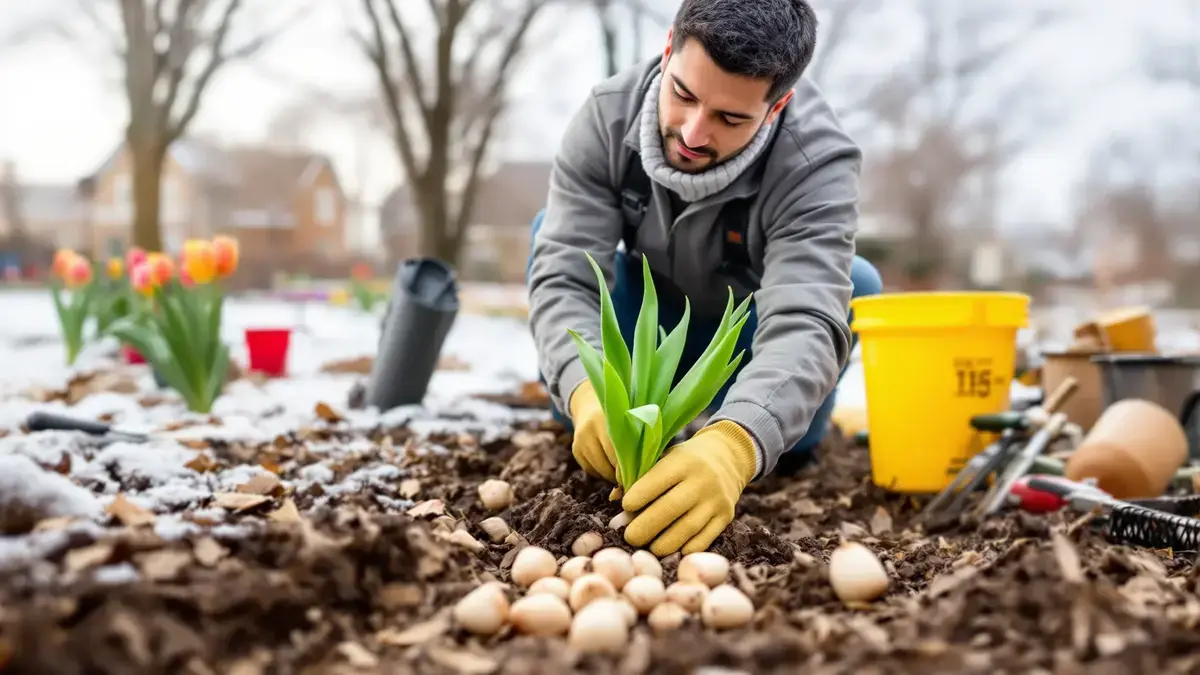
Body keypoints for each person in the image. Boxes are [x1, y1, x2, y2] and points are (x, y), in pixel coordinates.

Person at [525, 0, 883, 557]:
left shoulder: (816, 161)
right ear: (669, 49)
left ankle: (751, 442)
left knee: (854, 284)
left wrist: (738, 446)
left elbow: (806, 316)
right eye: (683, 95)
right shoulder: (606, 116)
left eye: (730, 118)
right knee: (550, 231)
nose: (693, 133)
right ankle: (594, 425)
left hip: (747, 344)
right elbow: (566, 276)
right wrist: (583, 386)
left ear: (777, 104)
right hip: (641, 340)